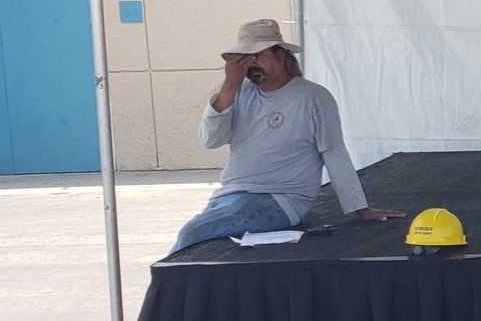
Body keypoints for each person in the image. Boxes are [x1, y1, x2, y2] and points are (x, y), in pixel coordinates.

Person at [169, 18, 402, 253]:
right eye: (244, 59)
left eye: (257, 55)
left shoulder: (312, 97)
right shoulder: (239, 94)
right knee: (197, 240)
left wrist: (359, 207)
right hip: (232, 196)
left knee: (192, 233)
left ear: (280, 55)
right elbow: (210, 140)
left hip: (280, 199)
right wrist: (229, 87)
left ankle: (162, 289)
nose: (251, 64)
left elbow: (334, 152)